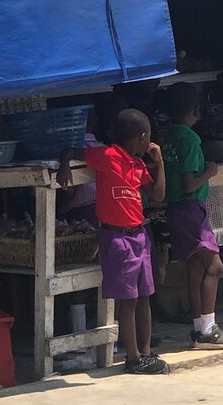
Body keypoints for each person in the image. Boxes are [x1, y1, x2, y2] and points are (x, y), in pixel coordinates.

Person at [58, 108, 168, 375]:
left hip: (139, 235)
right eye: (148, 138)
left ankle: (145, 351)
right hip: (117, 237)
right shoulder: (107, 156)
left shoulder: (138, 165)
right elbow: (69, 151)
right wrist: (64, 169)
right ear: (142, 137)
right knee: (128, 300)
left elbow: (157, 194)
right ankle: (132, 357)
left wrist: (160, 163)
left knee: (145, 296)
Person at [163, 83, 223, 350]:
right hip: (190, 207)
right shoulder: (189, 140)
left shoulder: (168, 137)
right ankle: (208, 329)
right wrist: (209, 172)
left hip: (175, 209)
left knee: (195, 266)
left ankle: (199, 328)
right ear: (196, 111)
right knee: (215, 266)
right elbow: (189, 184)